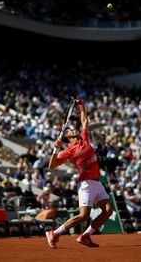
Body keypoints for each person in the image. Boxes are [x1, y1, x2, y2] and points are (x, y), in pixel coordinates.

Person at [45, 97, 113, 248]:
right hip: (86, 184)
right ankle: (55, 233)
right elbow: (52, 166)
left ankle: (86, 236)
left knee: (108, 210)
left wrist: (81, 105)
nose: (72, 129)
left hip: (97, 182)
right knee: (83, 216)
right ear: (67, 136)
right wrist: (55, 150)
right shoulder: (69, 150)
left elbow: (85, 121)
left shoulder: (84, 137)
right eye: (69, 130)